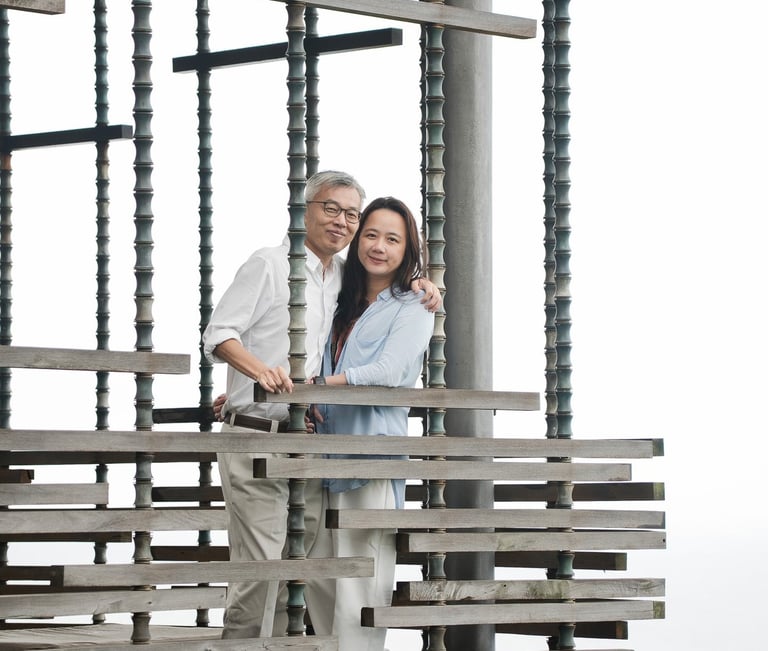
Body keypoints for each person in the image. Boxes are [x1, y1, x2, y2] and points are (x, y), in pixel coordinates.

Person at [202, 172, 440, 640]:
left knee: (302, 567)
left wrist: (423, 284)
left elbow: (361, 359)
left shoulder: (339, 283)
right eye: (332, 209)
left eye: (352, 215)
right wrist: (254, 375)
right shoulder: (270, 264)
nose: (343, 222)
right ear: (306, 209)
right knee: (261, 570)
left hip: (309, 449)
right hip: (258, 438)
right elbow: (219, 335)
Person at [310, 196, 435, 651]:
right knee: (321, 579)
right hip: (322, 460)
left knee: (361, 587)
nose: (379, 246)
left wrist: (324, 384)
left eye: (392, 239)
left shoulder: (413, 303)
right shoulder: (337, 293)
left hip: (372, 457)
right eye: (371, 234)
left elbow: (391, 371)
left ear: (408, 249)